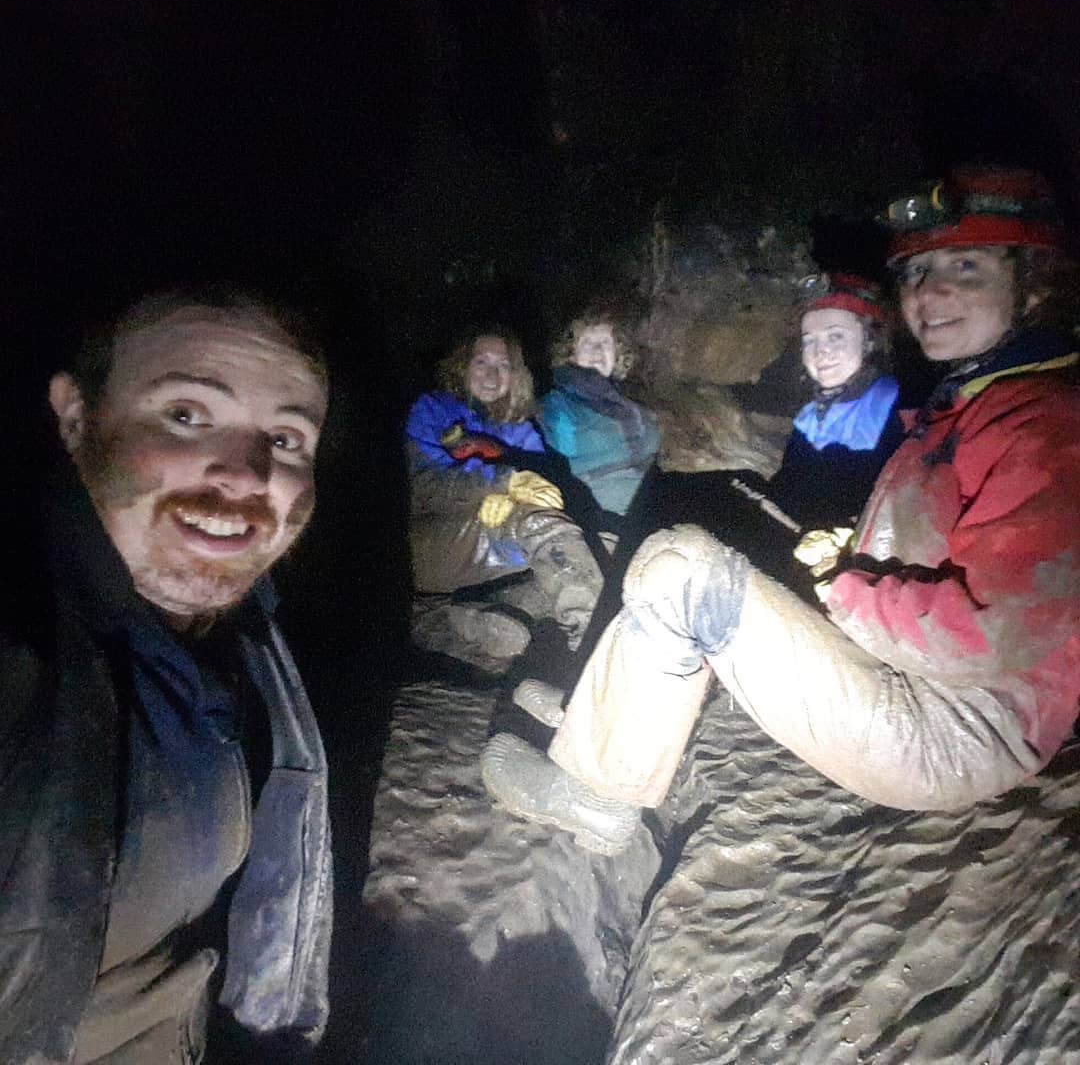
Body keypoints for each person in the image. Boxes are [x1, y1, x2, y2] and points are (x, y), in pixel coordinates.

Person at [482, 165, 1080, 856]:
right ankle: (599, 704)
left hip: (955, 725)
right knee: (693, 511)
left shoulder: (1047, 425)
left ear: (1033, 282)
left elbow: (996, 630)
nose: (931, 291)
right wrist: (847, 560)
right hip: (909, 671)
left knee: (684, 569)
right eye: (918, 272)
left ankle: (596, 799)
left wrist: (845, 585)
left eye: (966, 267)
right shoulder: (975, 403)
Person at [1, 291, 334, 1062]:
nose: (246, 475)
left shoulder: (243, 627)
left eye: (286, 438)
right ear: (75, 417)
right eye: (186, 415)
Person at [406, 327, 604, 650]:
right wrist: (499, 484)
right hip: (433, 544)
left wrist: (521, 490)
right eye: (482, 362)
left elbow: (546, 489)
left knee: (585, 541)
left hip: (492, 553)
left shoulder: (518, 427)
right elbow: (422, 491)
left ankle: (482, 616)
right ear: (463, 366)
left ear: (515, 376)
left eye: (504, 365)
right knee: (535, 523)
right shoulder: (432, 410)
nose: (492, 374)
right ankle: (594, 641)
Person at [765, 273, 903, 531]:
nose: (820, 351)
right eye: (809, 340)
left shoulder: (895, 408)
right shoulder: (809, 415)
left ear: (869, 340)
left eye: (835, 336)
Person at [538, 313, 660, 527]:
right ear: (571, 354)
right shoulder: (559, 407)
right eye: (587, 342)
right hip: (606, 517)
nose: (597, 350)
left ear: (618, 354)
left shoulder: (628, 402)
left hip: (652, 506)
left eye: (605, 342)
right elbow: (559, 470)